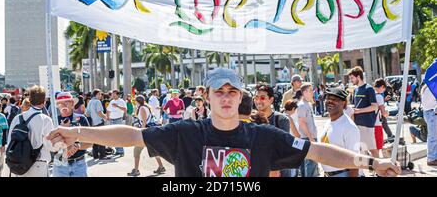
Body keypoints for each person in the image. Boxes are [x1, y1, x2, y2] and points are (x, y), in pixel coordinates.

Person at [47, 67, 401, 177]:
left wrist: (371, 162)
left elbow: (319, 152)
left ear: (241, 95)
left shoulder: (263, 137)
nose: (227, 97)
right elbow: (134, 135)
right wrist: (76, 130)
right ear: (207, 97)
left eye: (233, 91)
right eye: (220, 91)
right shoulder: (186, 133)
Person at [8, 85, 56, 177]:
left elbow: (10, 141)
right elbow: (50, 146)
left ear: (29, 100)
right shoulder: (45, 119)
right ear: (44, 101)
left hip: (19, 166)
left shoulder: (18, 118)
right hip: (39, 164)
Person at [253, 83, 293, 177]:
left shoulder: (281, 119)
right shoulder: (251, 119)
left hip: (279, 172)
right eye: (256, 97)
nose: (258, 101)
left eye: (262, 98)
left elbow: (283, 148)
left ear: (271, 100)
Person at [319, 88, 361, 177]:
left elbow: (355, 159)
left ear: (343, 103)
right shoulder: (328, 123)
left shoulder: (349, 127)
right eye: (328, 99)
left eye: (334, 100)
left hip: (343, 174)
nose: (330, 101)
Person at [52, 92, 91, 177]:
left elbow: (90, 142)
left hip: (79, 163)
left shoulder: (81, 119)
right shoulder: (53, 121)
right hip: (59, 164)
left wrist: (77, 146)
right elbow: (49, 145)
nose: (63, 105)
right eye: (60, 103)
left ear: (72, 103)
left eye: (66, 102)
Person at [128, 95, 165, 177]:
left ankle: (136, 170)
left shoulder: (142, 108)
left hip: (145, 132)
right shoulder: (145, 107)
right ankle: (161, 166)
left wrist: (140, 131)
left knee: (137, 151)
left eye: (135, 101)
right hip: (149, 132)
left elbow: (144, 121)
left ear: (138, 101)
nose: (135, 103)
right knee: (153, 149)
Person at [349, 66, 378, 158]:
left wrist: (359, 111)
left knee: (372, 148)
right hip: (357, 124)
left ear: (358, 77)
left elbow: (374, 106)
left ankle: (380, 170)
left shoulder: (369, 88)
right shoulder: (356, 89)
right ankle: (363, 171)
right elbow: (356, 106)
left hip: (367, 124)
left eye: (352, 78)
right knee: (360, 149)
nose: (351, 80)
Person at [297, 83, 319, 177]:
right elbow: (302, 122)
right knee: (311, 164)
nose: (312, 93)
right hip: (307, 138)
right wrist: (310, 137)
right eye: (310, 90)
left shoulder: (307, 104)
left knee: (309, 164)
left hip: (309, 137)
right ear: (304, 92)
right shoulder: (302, 105)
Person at [85, 89, 110, 160]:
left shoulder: (90, 102)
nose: (101, 95)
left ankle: (95, 155)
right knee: (102, 139)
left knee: (94, 139)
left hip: (93, 123)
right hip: (99, 122)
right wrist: (106, 117)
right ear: (96, 94)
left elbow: (87, 113)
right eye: (100, 94)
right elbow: (100, 113)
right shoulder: (98, 102)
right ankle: (102, 155)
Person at [106, 90, 127, 157]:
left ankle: (121, 151)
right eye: (112, 94)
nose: (113, 96)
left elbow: (125, 109)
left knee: (119, 136)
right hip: (112, 120)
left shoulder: (121, 101)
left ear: (118, 95)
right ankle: (118, 150)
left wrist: (117, 106)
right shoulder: (112, 101)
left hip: (118, 120)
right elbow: (108, 109)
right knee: (114, 136)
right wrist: (108, 116)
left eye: (114, 95)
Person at [373, 79, 391, 153]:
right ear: (382, 86)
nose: (383, 91)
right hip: (376, 123)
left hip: (368, 124)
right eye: (384, 89)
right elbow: (384, 113)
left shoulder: (370, 93)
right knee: (377, 148)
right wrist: (387, 113)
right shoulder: (379, 96)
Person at [421, 85, 437, 166]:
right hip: (432, 113)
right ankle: (431, 158)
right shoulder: (432, 88)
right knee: (433, 137)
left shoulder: (426, 88)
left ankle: (433, 157)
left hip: (429, 113)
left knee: (433, 137)